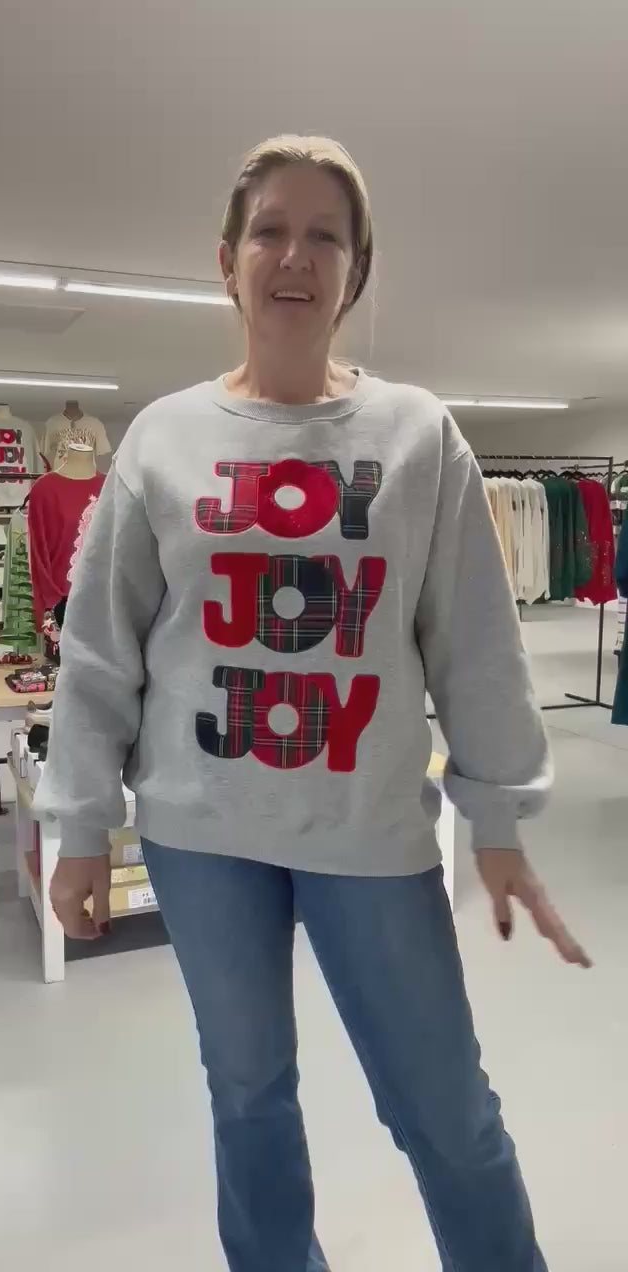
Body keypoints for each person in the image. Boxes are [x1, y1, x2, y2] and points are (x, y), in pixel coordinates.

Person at [36, 135, 590, 1271]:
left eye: (325, 236)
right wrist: (80, 824)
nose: (295, 255)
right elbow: (99, 651)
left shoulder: (419, 435)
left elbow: (475, 645)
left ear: (357, 270)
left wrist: (494, 813)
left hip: (368, 834)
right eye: (271, 231)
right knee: (248, 1098)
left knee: (447, 1110)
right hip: (200, 834)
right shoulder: (164, 439)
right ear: (228, 261)